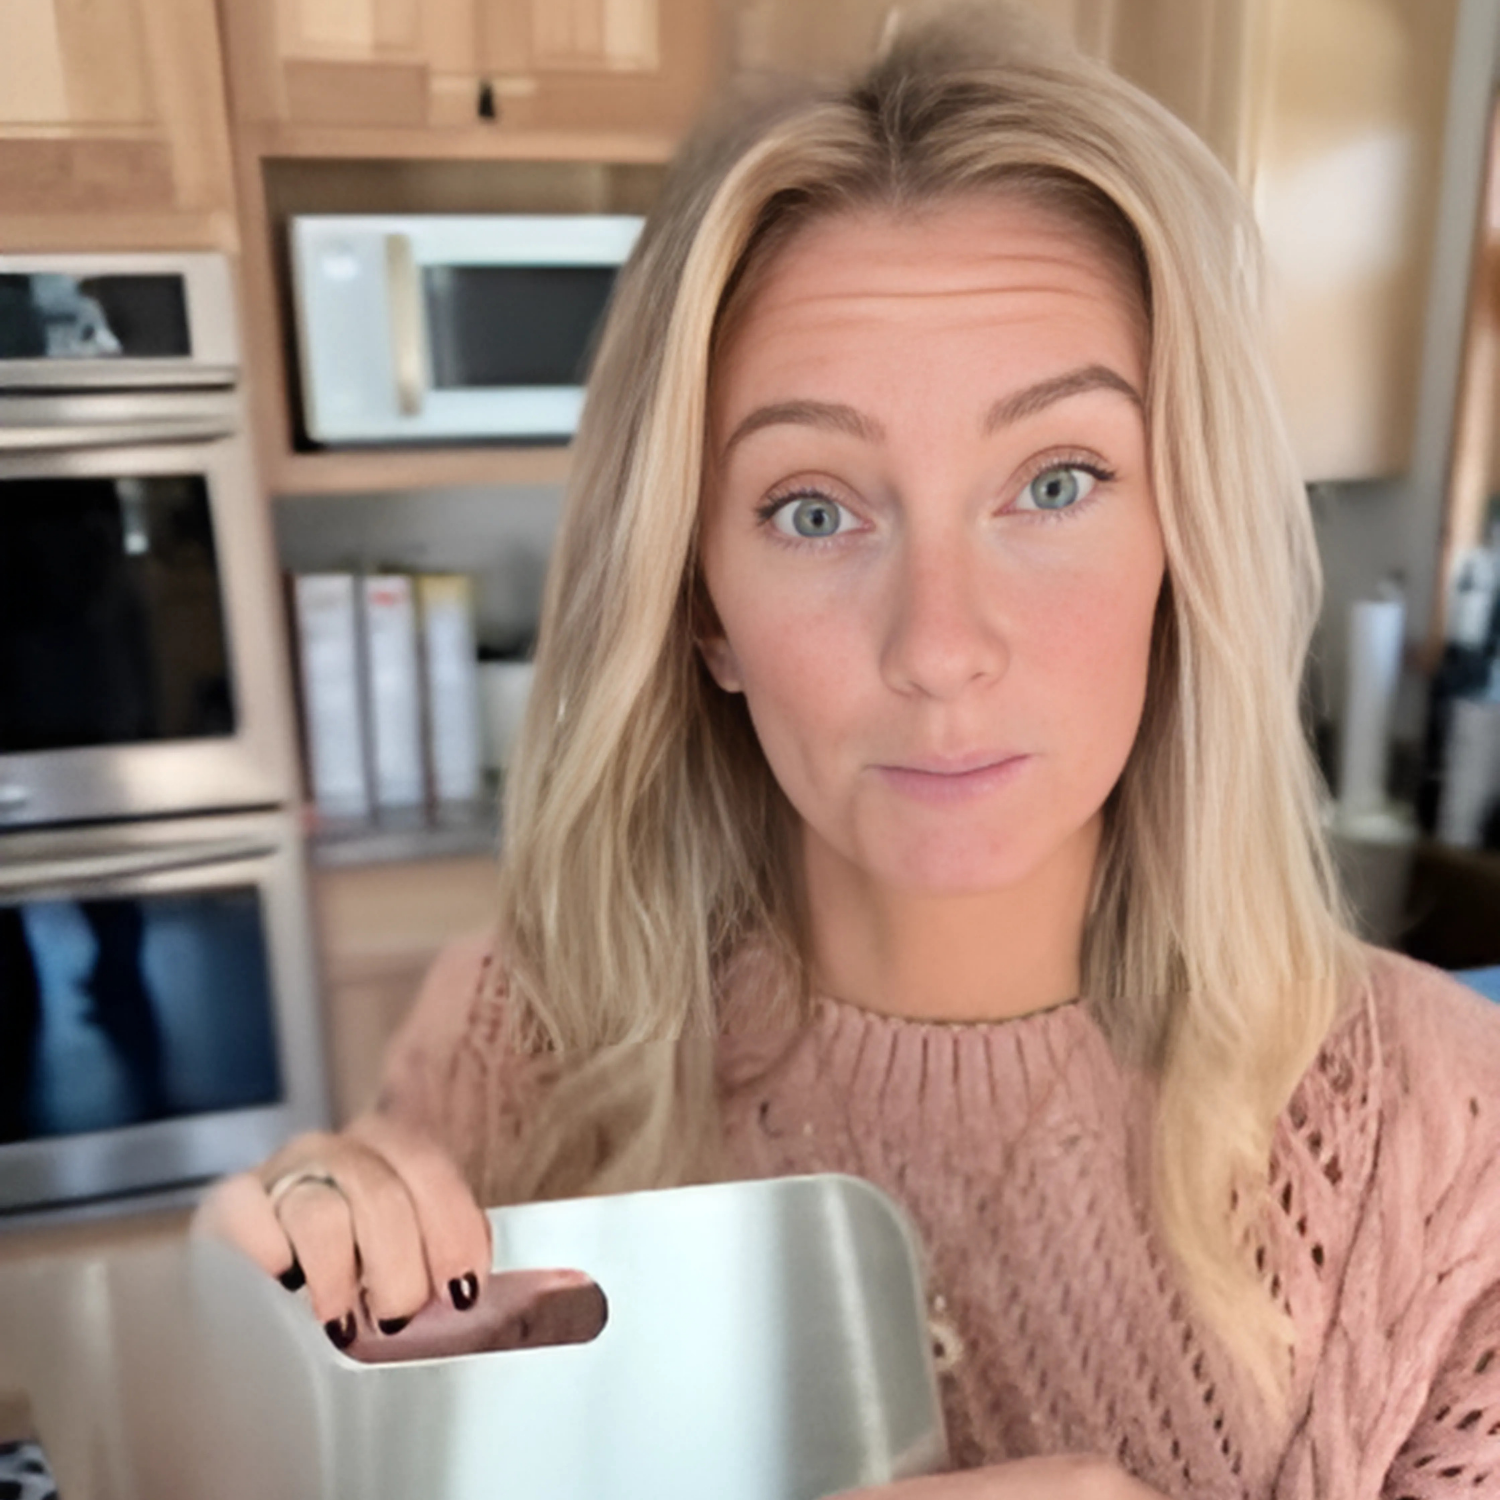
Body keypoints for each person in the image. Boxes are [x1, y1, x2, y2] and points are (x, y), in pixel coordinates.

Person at [198, 8, 1500, 1495]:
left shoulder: (1454, 1142)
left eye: (1056, 483)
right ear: (703, 607)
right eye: (814, 509)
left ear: (1185, 546)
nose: (939, 646)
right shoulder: (523, 1043)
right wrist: (260, 1328)